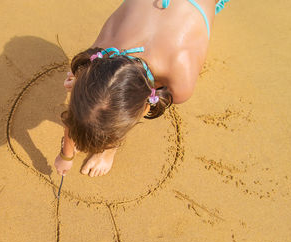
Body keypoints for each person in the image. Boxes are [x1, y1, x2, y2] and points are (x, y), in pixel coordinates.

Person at [54, 0, 230, 177]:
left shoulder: (181, 83)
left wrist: (107, 150)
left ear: (146, 107)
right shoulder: (104, 46)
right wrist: (65, 155)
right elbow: (77, 113)